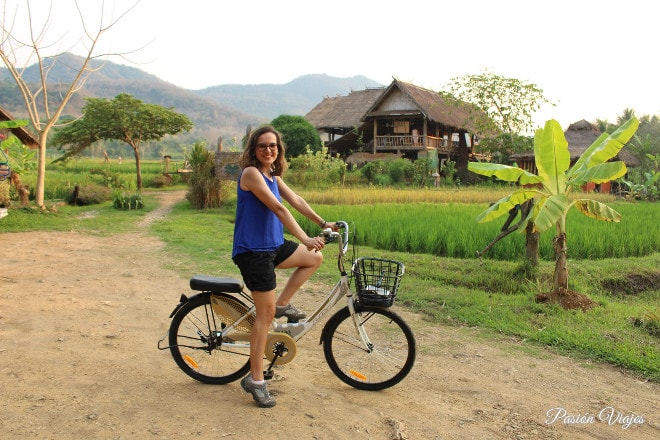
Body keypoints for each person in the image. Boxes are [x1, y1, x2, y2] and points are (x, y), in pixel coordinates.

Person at [232, 125, 336, 408]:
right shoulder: (251, 174)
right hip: (253, 253)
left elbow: (296, 200)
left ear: (279, 149)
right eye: (263, 146)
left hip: (273, 247)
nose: (269, 150)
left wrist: (322, 223)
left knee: (313, 258)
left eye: (273, 145)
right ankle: (255, 380)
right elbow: (280, 209)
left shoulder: (273, 176)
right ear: (253, 149)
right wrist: (305, 238)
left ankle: (283, 303)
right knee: (264, 318)